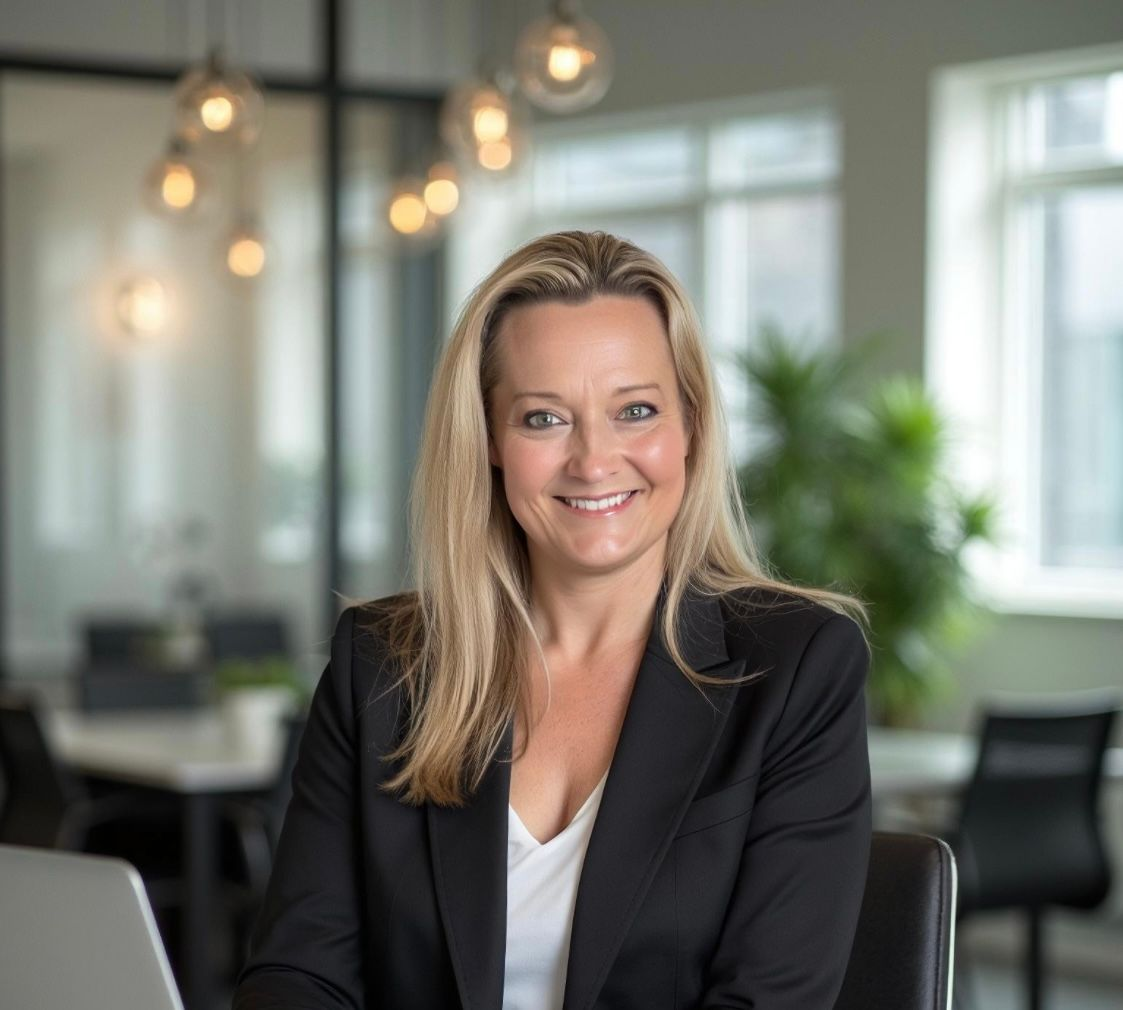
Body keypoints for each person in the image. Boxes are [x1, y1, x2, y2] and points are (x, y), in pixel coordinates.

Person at [233, 230, 872, 1010]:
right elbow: (299, 972)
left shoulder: (796, 666)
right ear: (490, 440)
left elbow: (770, 999)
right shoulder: (384, 664)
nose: (594, 460)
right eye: (543, 419)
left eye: (635, 410)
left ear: (690, 430)